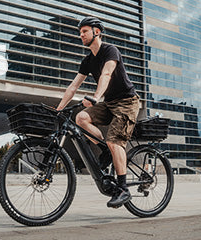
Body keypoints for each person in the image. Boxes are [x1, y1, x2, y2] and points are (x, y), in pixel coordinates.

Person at [57, 16, 140, 208]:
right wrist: (59, 108)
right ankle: (106, 150)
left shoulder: (110, 50)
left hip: (127, 102)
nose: (81, 35)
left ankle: (123, 189)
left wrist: (96, 97)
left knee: (115, 140)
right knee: (81, 117)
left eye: (84, 31)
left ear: (97, 31)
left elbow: (106, 74)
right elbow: (73, 87)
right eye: (80, 32)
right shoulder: (87, 61)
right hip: (110, 103)